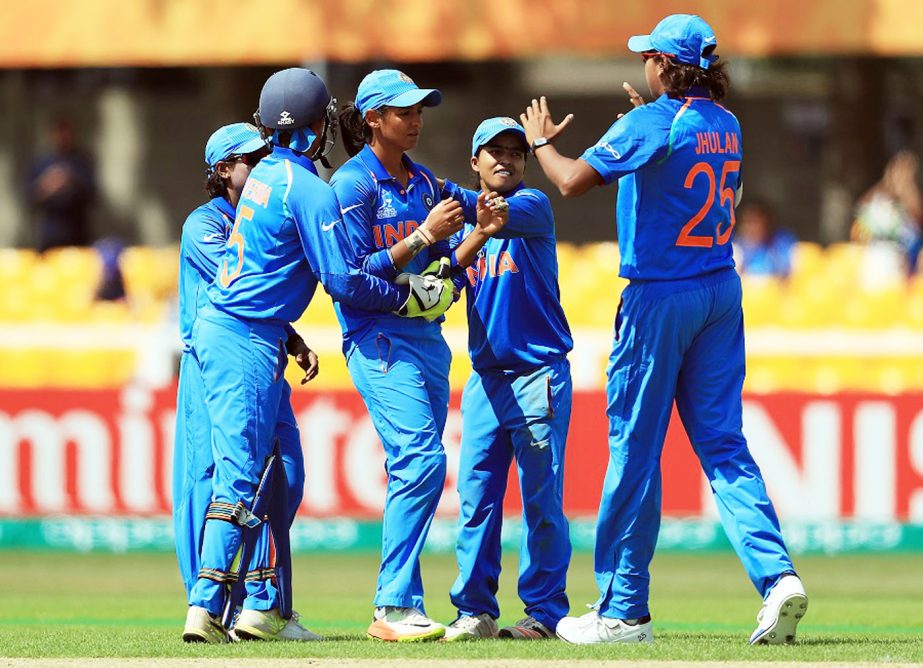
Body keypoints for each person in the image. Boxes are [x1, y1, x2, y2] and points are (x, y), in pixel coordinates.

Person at [519, 14, 807, 645]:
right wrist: (643, 119)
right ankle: (776, 576)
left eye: (647, 56)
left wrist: (540, 142)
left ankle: (623, 609)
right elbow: (677, 163)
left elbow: (569, 181)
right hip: (718, 290)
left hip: (660, 296)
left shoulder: (653, 123)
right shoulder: (723, 123)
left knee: (634, 451)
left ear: (663, 66)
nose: (642, 63)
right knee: (724, 446)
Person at [183, 68, 454, 644]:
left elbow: (340, 271)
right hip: (245, 337)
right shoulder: (306, 187)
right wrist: (411, 290)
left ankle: (261, 609)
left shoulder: (264, 177)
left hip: (253, 333)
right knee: (241, 475)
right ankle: (204, 610)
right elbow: (347, 283)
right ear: (319, 125)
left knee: (277, 476)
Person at [331, 69, 508, 642]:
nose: (415, 120)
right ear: (372, 120)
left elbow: (471, 224)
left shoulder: (424, 180)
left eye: (419, 110)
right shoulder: (354, 185)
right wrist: (424, 240)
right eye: (402, 111)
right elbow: (353, 278)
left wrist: (483, 219)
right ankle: (393, 606)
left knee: (417, 465)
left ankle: (399, 599)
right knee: (422, 461)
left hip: (427, 342)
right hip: (378, 339)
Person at [174, 122, 321, 643]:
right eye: (252, 159)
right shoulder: (204, 223)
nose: (265, 163)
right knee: (214, 482)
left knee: (284, 476)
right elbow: (240, 289)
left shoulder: (258, 213)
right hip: (212, 361)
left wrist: (292, 340)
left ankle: (259, 603)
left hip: (264, 351)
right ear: (222, 170)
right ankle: (218, 601)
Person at [438, 118, 574, 641]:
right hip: (486, 379)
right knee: (477, 499)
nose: (507, 160)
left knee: (541, 501)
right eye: (493, 151)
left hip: (537, 373)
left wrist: (440, 206)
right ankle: (475, 611)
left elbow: (491, 215)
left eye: (516, 152)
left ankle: (544, 613)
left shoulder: (532, 207)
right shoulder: (472, 225)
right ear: (474, 161)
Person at [27, 118, 96, 252]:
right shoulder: (41, 163)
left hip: (77, 232)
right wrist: (47, 185)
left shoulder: (81, 162)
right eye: (59, 133)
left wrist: (70, 180)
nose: (63, 137)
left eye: (66, 133)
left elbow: (92, 195)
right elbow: (29, 197)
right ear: (52, 135)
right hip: (50, 233)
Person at [851, 149, 923, 276]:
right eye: (897, 170)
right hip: (878, 259)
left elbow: (918, 216)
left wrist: (906, 189)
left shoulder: (914, 199)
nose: (901, 175)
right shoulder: (880, 196)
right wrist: (887, 184)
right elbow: (860, 210)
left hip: (909, 263)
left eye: (906, 172)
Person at [732, 200, 798, 278]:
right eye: (746, 221)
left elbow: (788, 271)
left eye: (755, 221)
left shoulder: (781, 240)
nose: (750, 226)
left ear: (767, 220)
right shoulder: (737, 244)